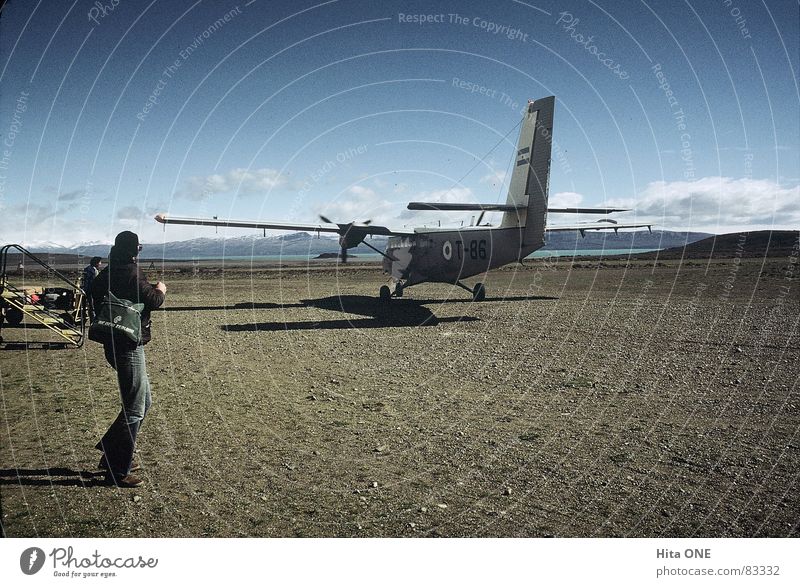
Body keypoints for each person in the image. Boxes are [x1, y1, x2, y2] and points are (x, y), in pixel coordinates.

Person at [91, 231, 166, 488]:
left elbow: (93, 292)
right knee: (135, 406)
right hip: (128, 344)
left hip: (113, 341)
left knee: (144, 401)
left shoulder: (108, 272)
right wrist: (161, 289)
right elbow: (154, 300)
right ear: (134, 250)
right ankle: (117, 469)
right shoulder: (132, 273)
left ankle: (111, 450)